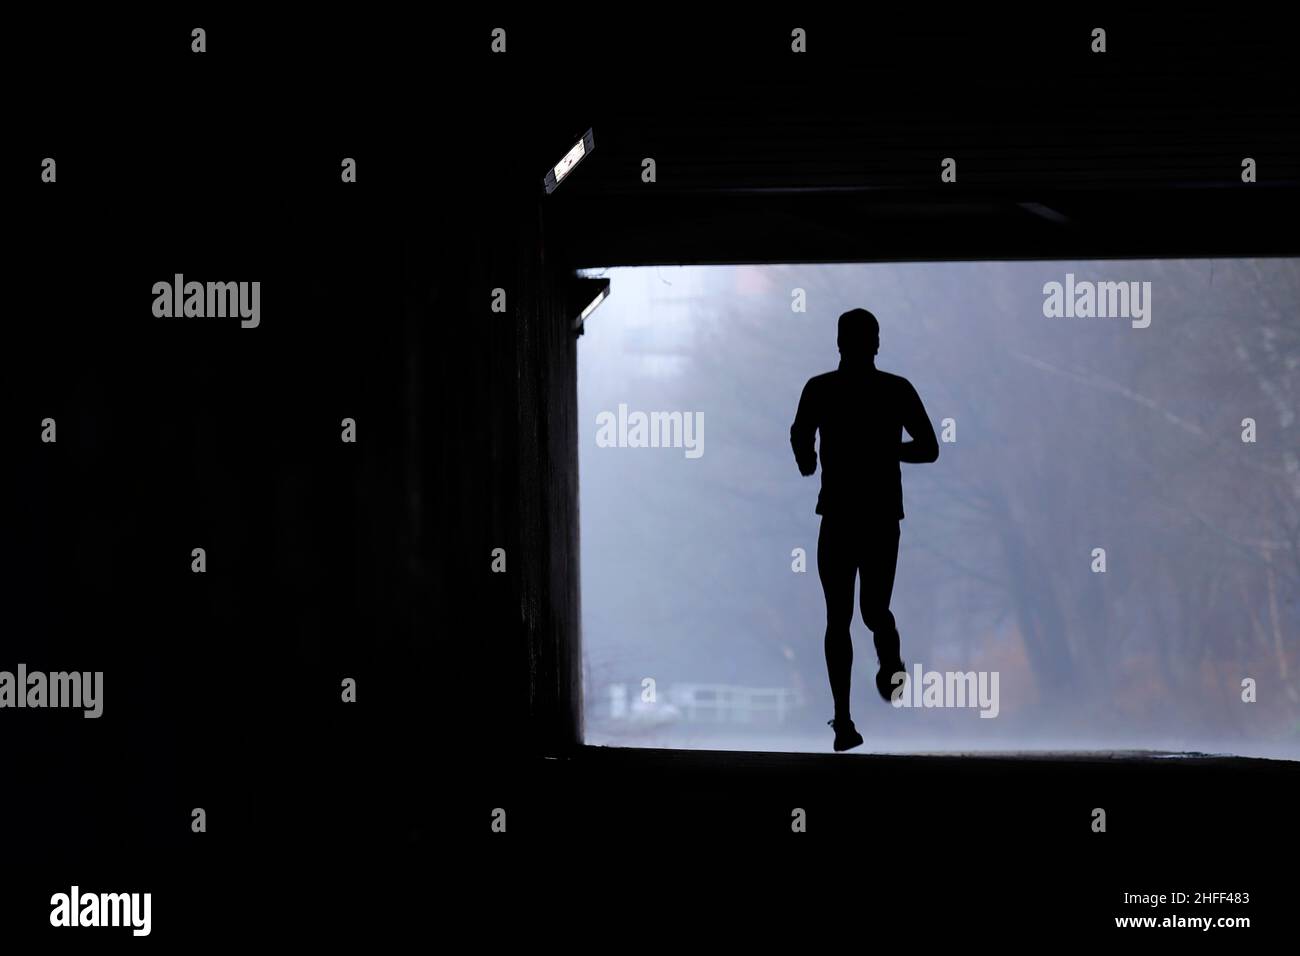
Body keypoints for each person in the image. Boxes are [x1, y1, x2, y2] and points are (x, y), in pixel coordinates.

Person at [790, 308, 939, 751]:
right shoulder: (893, 390)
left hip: (845, 516)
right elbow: (929, 448)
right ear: (876, 342)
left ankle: (844, 716)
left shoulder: (822, 389)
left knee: (849, 616)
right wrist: (888, 449)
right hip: (873, 517)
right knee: (862, 612)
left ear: (841, 342)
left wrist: (807, 459)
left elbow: (799, 432)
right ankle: (844, 717)